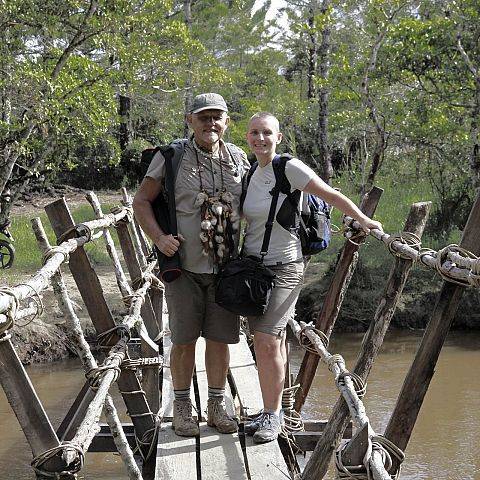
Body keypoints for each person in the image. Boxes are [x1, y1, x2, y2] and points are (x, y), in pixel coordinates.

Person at [242, 112, 383, 444]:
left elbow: (331, 195)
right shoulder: (251, 174)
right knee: (266, 342)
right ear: (247, 138)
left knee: (266, 338)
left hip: (286, 266)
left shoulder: (288, 167)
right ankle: (268, 410)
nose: (260, 138)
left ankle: (273, 416)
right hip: (253, 269)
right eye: (254, 133)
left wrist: (364, 219)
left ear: (278, 137)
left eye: (266, 133)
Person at [133, 93, 249, 437]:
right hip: (183, 267)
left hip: (226, 269)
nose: (210, 124)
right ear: (190, 121)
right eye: (203, 118)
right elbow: (141, 201)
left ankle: (216, 407)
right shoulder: (172, 157)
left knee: (220, 340)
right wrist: (158, 239)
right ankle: (182, 409)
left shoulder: (239, 158)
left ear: (226, 122)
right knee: (183, 341)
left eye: (217, 117)